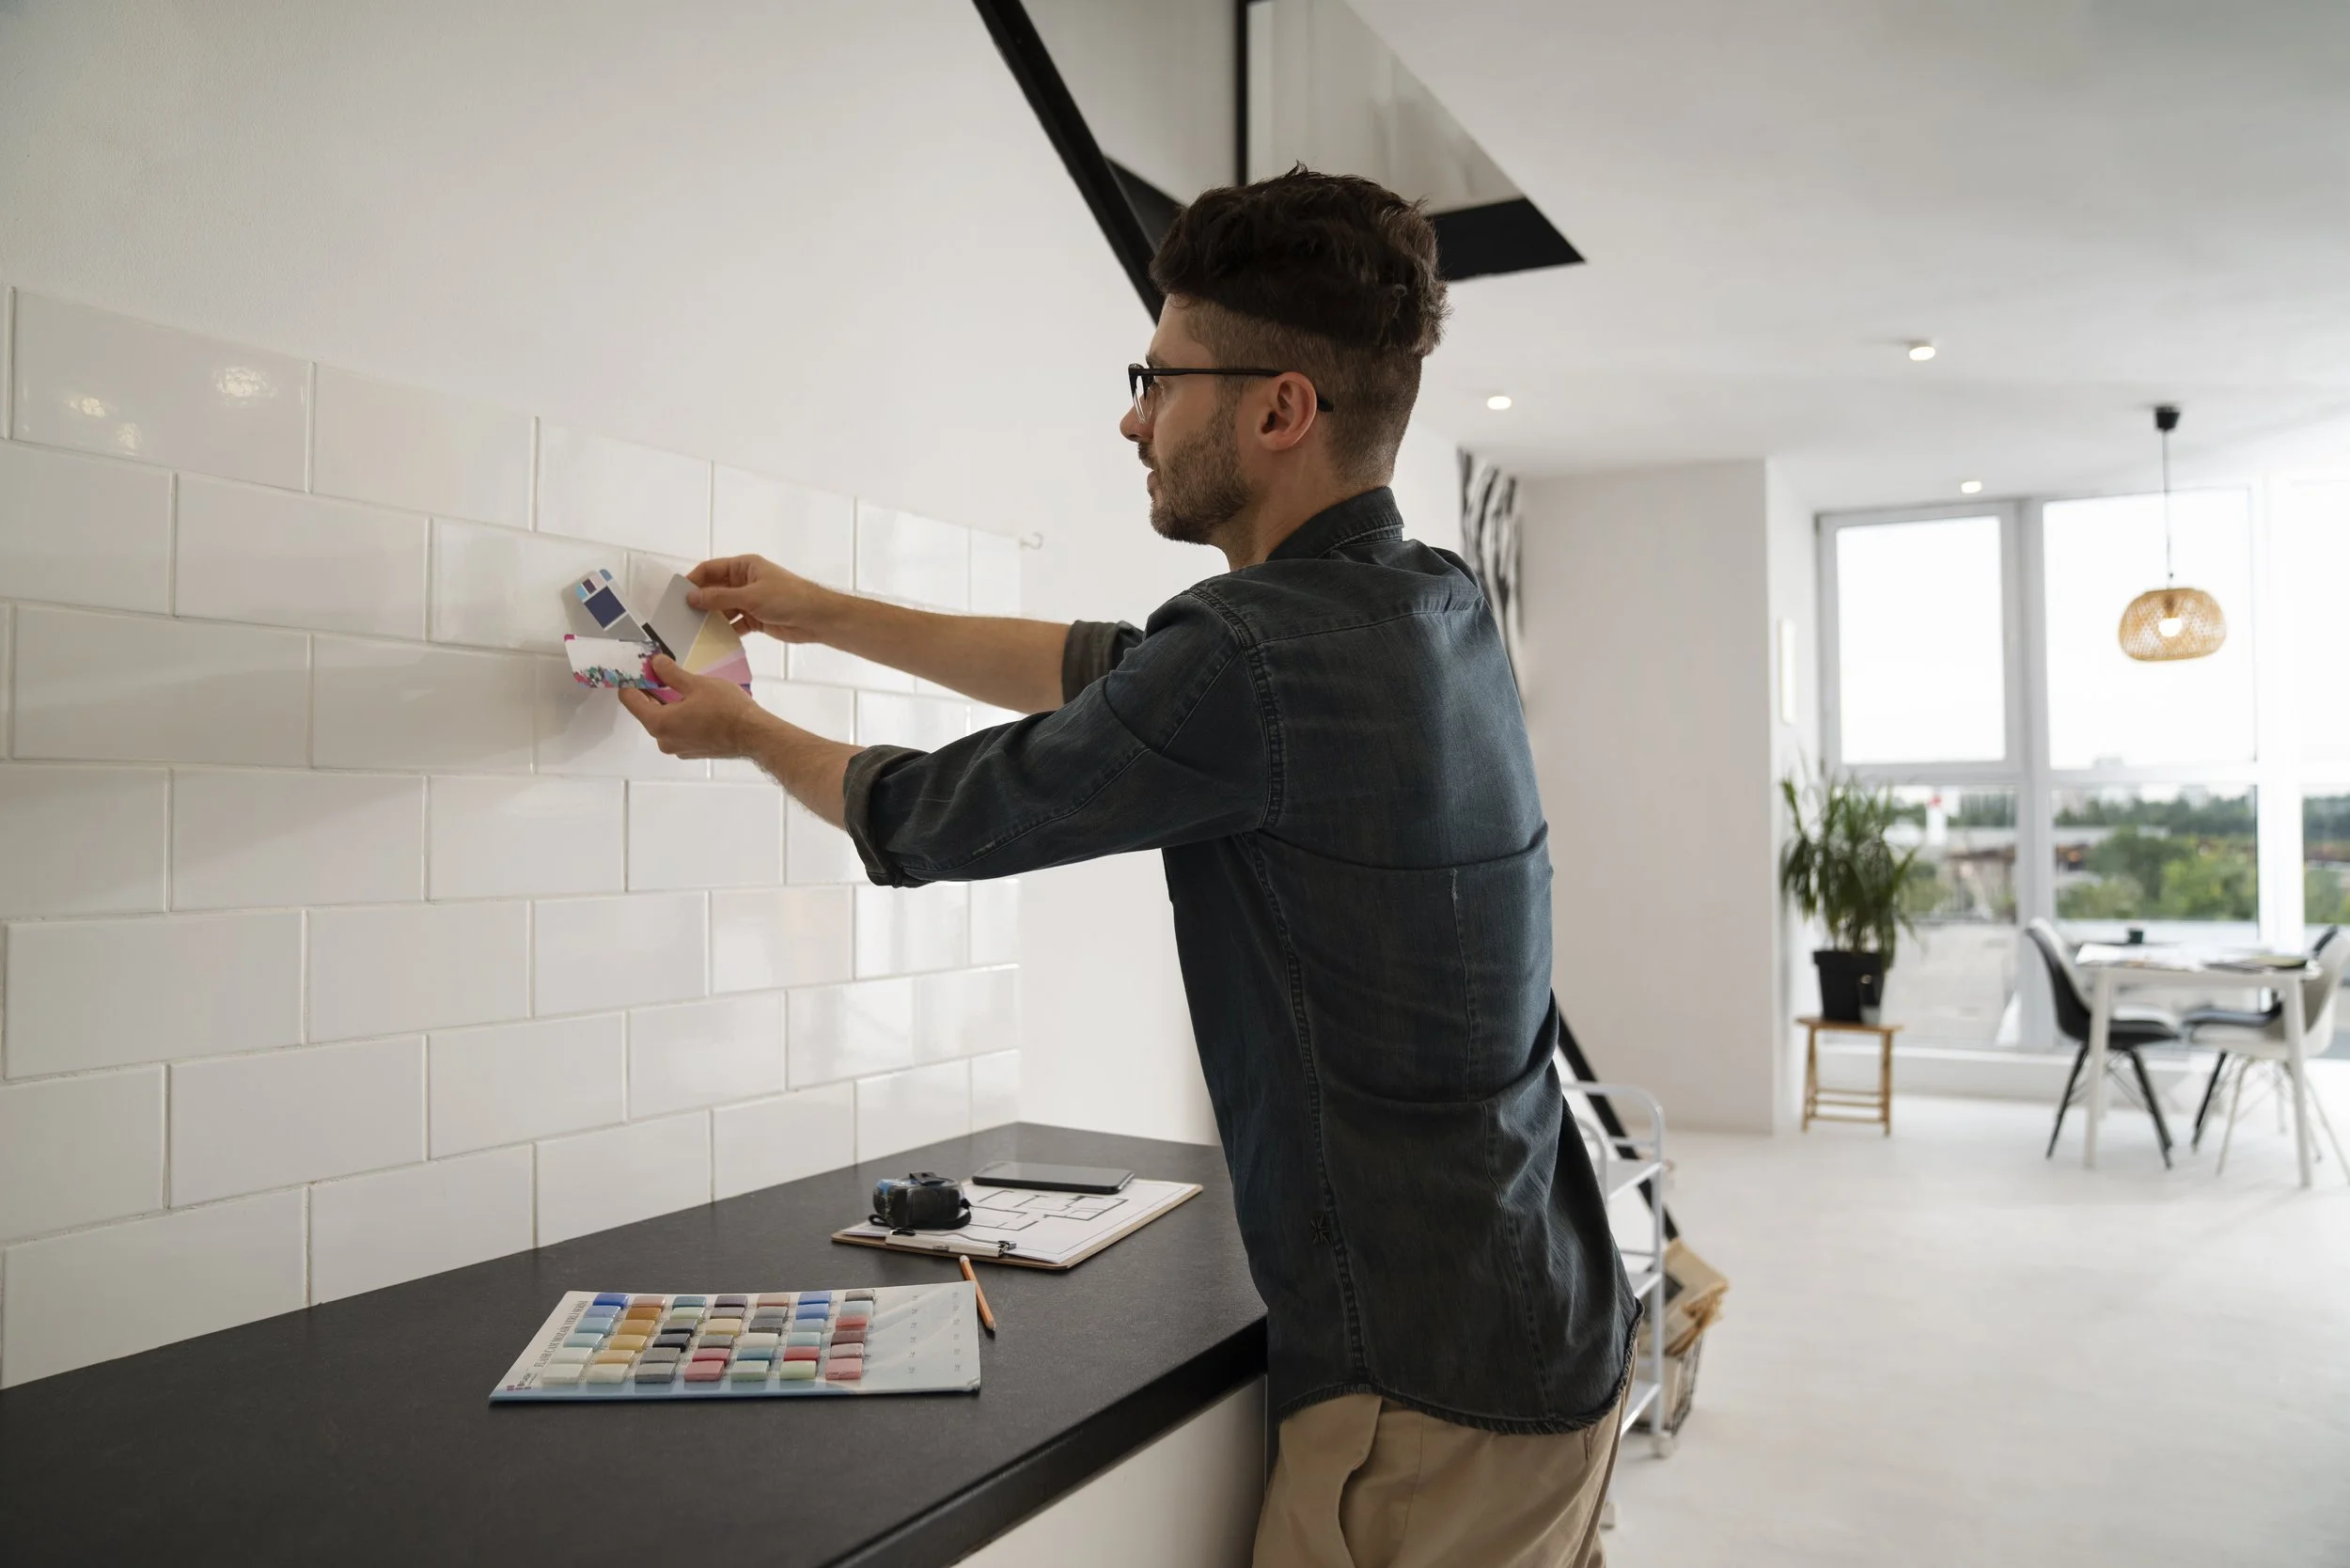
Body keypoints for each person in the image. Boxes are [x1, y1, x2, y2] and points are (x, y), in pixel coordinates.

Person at [622, 167, 1636, 1568]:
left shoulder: (1255, 657)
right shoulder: (1430, 599)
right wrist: (823, 613)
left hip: (1427, 1397)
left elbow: (928, 816)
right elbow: (1105, 668)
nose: (1132, 413)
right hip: (1549, 1320)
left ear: (1279, 408)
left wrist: (738, 730)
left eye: (1158, 377)